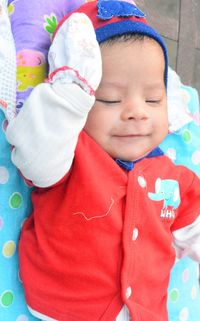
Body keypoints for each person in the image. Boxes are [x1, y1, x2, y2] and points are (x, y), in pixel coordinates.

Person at [5, 1, 200, 320]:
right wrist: (70, 94)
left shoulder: (174, 176)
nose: (137, 111)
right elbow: (33, 152)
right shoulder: (70, 154)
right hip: (66, 309)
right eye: (109, 98)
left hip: (148, 311)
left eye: (153, 99)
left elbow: (193, 226)